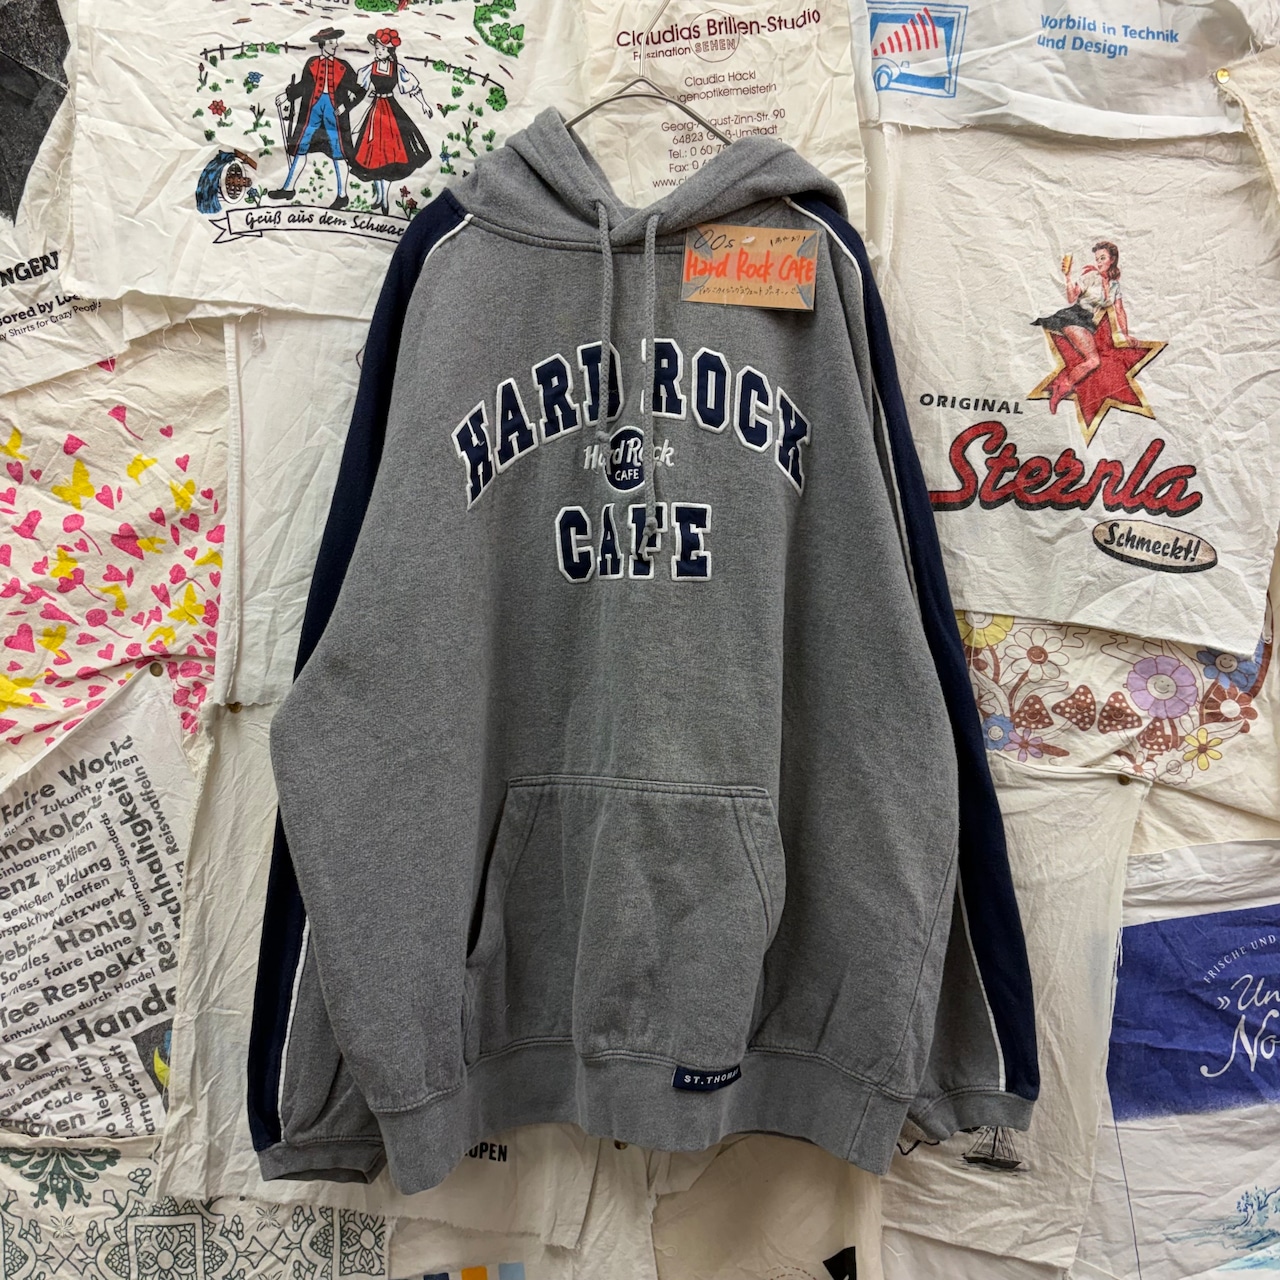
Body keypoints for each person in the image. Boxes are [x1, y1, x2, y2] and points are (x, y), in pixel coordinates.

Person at [269, 27, 365, 210]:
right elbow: (304, 85)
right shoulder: (312, 63)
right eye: (331, 42)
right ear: (322, 44)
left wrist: (345, 106)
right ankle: (288, 189)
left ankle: (342, 196)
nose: (335, 45)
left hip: (334, 112)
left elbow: (360, 91)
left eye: (335, 42)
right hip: (312, 110)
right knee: (300, 147)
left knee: (338, 151)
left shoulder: (343, 66)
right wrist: (287, 95)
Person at [1031, 241, 1130, 414]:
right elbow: (1072, 297)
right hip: (1074, 317)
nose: (1099, 262)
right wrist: (1068, 277)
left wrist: (1126, 335)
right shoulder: (1090, 276)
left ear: (1112, 259)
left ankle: (1060, 388)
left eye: (1102, 258)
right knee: (1093, 361)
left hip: (1087, 322)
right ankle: (1061, 390)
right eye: (1097, 259)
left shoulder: (1115, 286)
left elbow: (1119, 310)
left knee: (1094, 361)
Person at [350, 29, 433, 216]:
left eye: (382, 49)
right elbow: (358, 87)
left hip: (391, 112)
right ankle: (379, 196)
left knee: (389, 156)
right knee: (373, 155)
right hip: (375, 112)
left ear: (389, 51)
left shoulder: (397, 69)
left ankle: (384, 198)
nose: (378, 51)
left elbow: (412, 88)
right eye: (377, 48)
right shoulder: (370, 68)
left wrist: (424, 105)